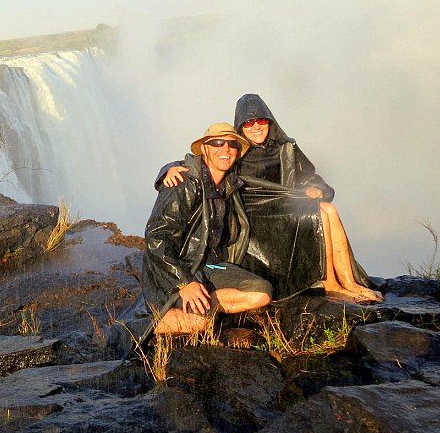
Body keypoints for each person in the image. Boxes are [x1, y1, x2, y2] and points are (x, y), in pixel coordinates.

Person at [159, 94, 382, 304]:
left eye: (260, 120)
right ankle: (331, 283)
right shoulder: (234, 149)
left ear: (269, 121)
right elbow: (197, 162)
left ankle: (348, 281)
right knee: (315, 214)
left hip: (282, 210)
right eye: (248, 123)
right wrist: (168, 170)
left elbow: (310, 176)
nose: (255, 126)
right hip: (251, 217)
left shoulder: (286, 147)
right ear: (240, 126)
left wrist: (317, 188)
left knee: (327, 209)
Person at [143, 123, 273, 334]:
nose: (225, 149)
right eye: (217, 143)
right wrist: (184, 283)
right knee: (199, 324)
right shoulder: (184, 182)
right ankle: (142, 324)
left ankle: (199, 309)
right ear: (205, 149)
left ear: (237, 152)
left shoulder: (231, 184)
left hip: (212, 266)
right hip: (181, 268)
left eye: (232, 144)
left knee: (262, 294)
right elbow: (157, 237)